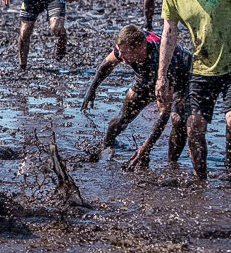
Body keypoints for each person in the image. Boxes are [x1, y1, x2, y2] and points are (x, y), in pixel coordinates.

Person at [156, 0, 231, 179]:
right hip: (201, 67)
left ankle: (230, 172)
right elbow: (169, 33)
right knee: (194, 126)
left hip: (230, 64)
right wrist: (161, 75)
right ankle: (201, 181)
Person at [82, 25, 191, 169]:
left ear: (140, 48)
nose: (121, 57)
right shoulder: (126, 45)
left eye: (125, 53)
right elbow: (108, 63)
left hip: (180, 78)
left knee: (178, 120)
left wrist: (145, 148)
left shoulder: (160, 58)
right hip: (146, 75)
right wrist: (92, 89)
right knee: (123, 116)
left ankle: (172, 164)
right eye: (120, 51)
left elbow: (164, 113)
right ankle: (106, 145)